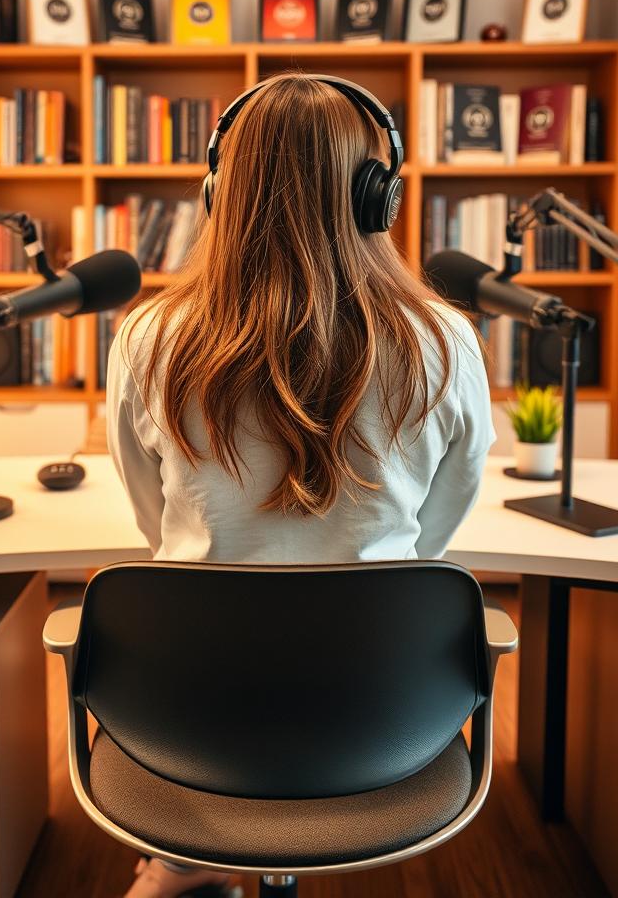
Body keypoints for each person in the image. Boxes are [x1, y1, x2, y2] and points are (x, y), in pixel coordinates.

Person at [106, 73, 495, 898]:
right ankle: (191, 858)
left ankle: (187, 858)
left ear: (220, 194)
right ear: (375, 198)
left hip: (192, 715)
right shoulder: (448, 342)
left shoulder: (144, 338)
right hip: (381, 713)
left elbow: (154, 523)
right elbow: (439, 530)